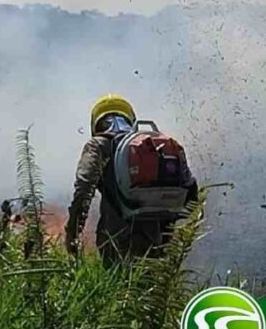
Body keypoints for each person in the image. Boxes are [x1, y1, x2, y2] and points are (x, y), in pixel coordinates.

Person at [64, 94, 198, 267]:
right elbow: (192, 194)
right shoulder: (157, 147)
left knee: (120, 291)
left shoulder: (98, 145)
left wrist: (73, 235)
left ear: (96, 123)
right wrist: (167, 226)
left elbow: (83, 188)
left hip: (116, 242)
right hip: (157, 242)